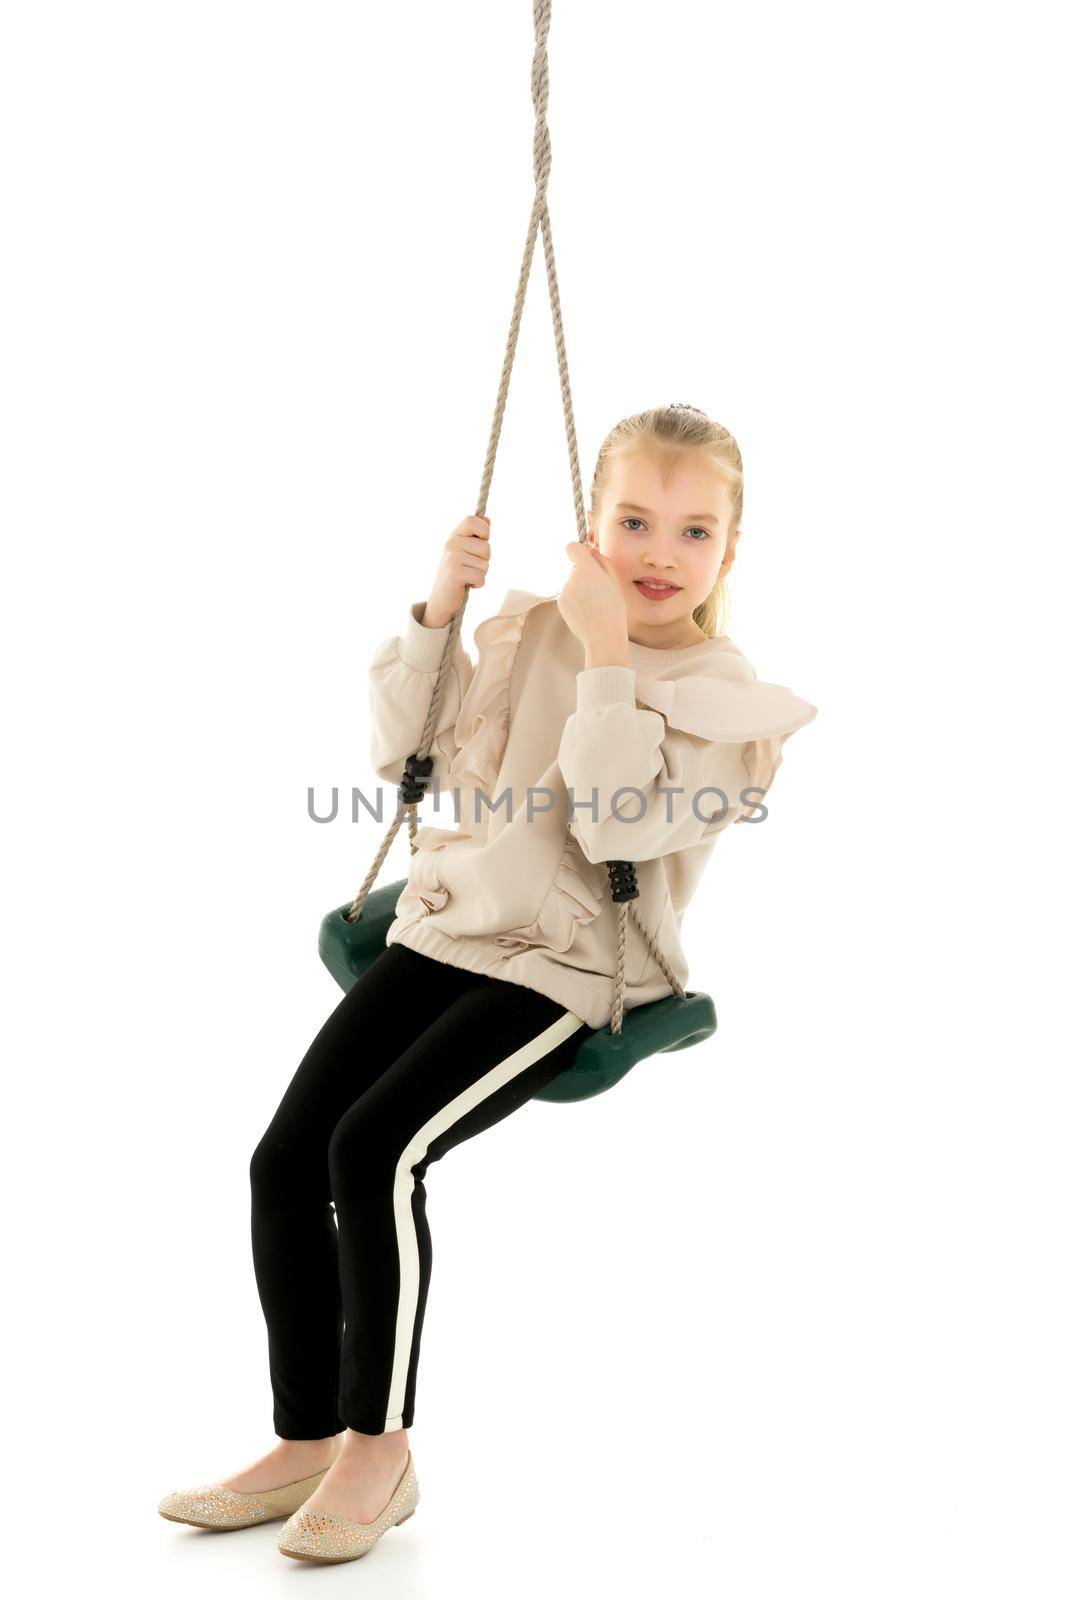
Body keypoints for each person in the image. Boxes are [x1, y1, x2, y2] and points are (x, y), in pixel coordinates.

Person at [158, 404, 818, 1563]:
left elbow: (621, 825)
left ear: (729, 550)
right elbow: (414, 759)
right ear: (590, 528)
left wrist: (610, 653)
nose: (660, 551)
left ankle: (380, 1446)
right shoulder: (536, 628)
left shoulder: (724, 689)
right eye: (633, 520)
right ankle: (304, 1436)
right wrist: (440, 611)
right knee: (284, 1159)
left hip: (571, 963)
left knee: (376, 1151)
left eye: (693, 529)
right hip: (452, 924)